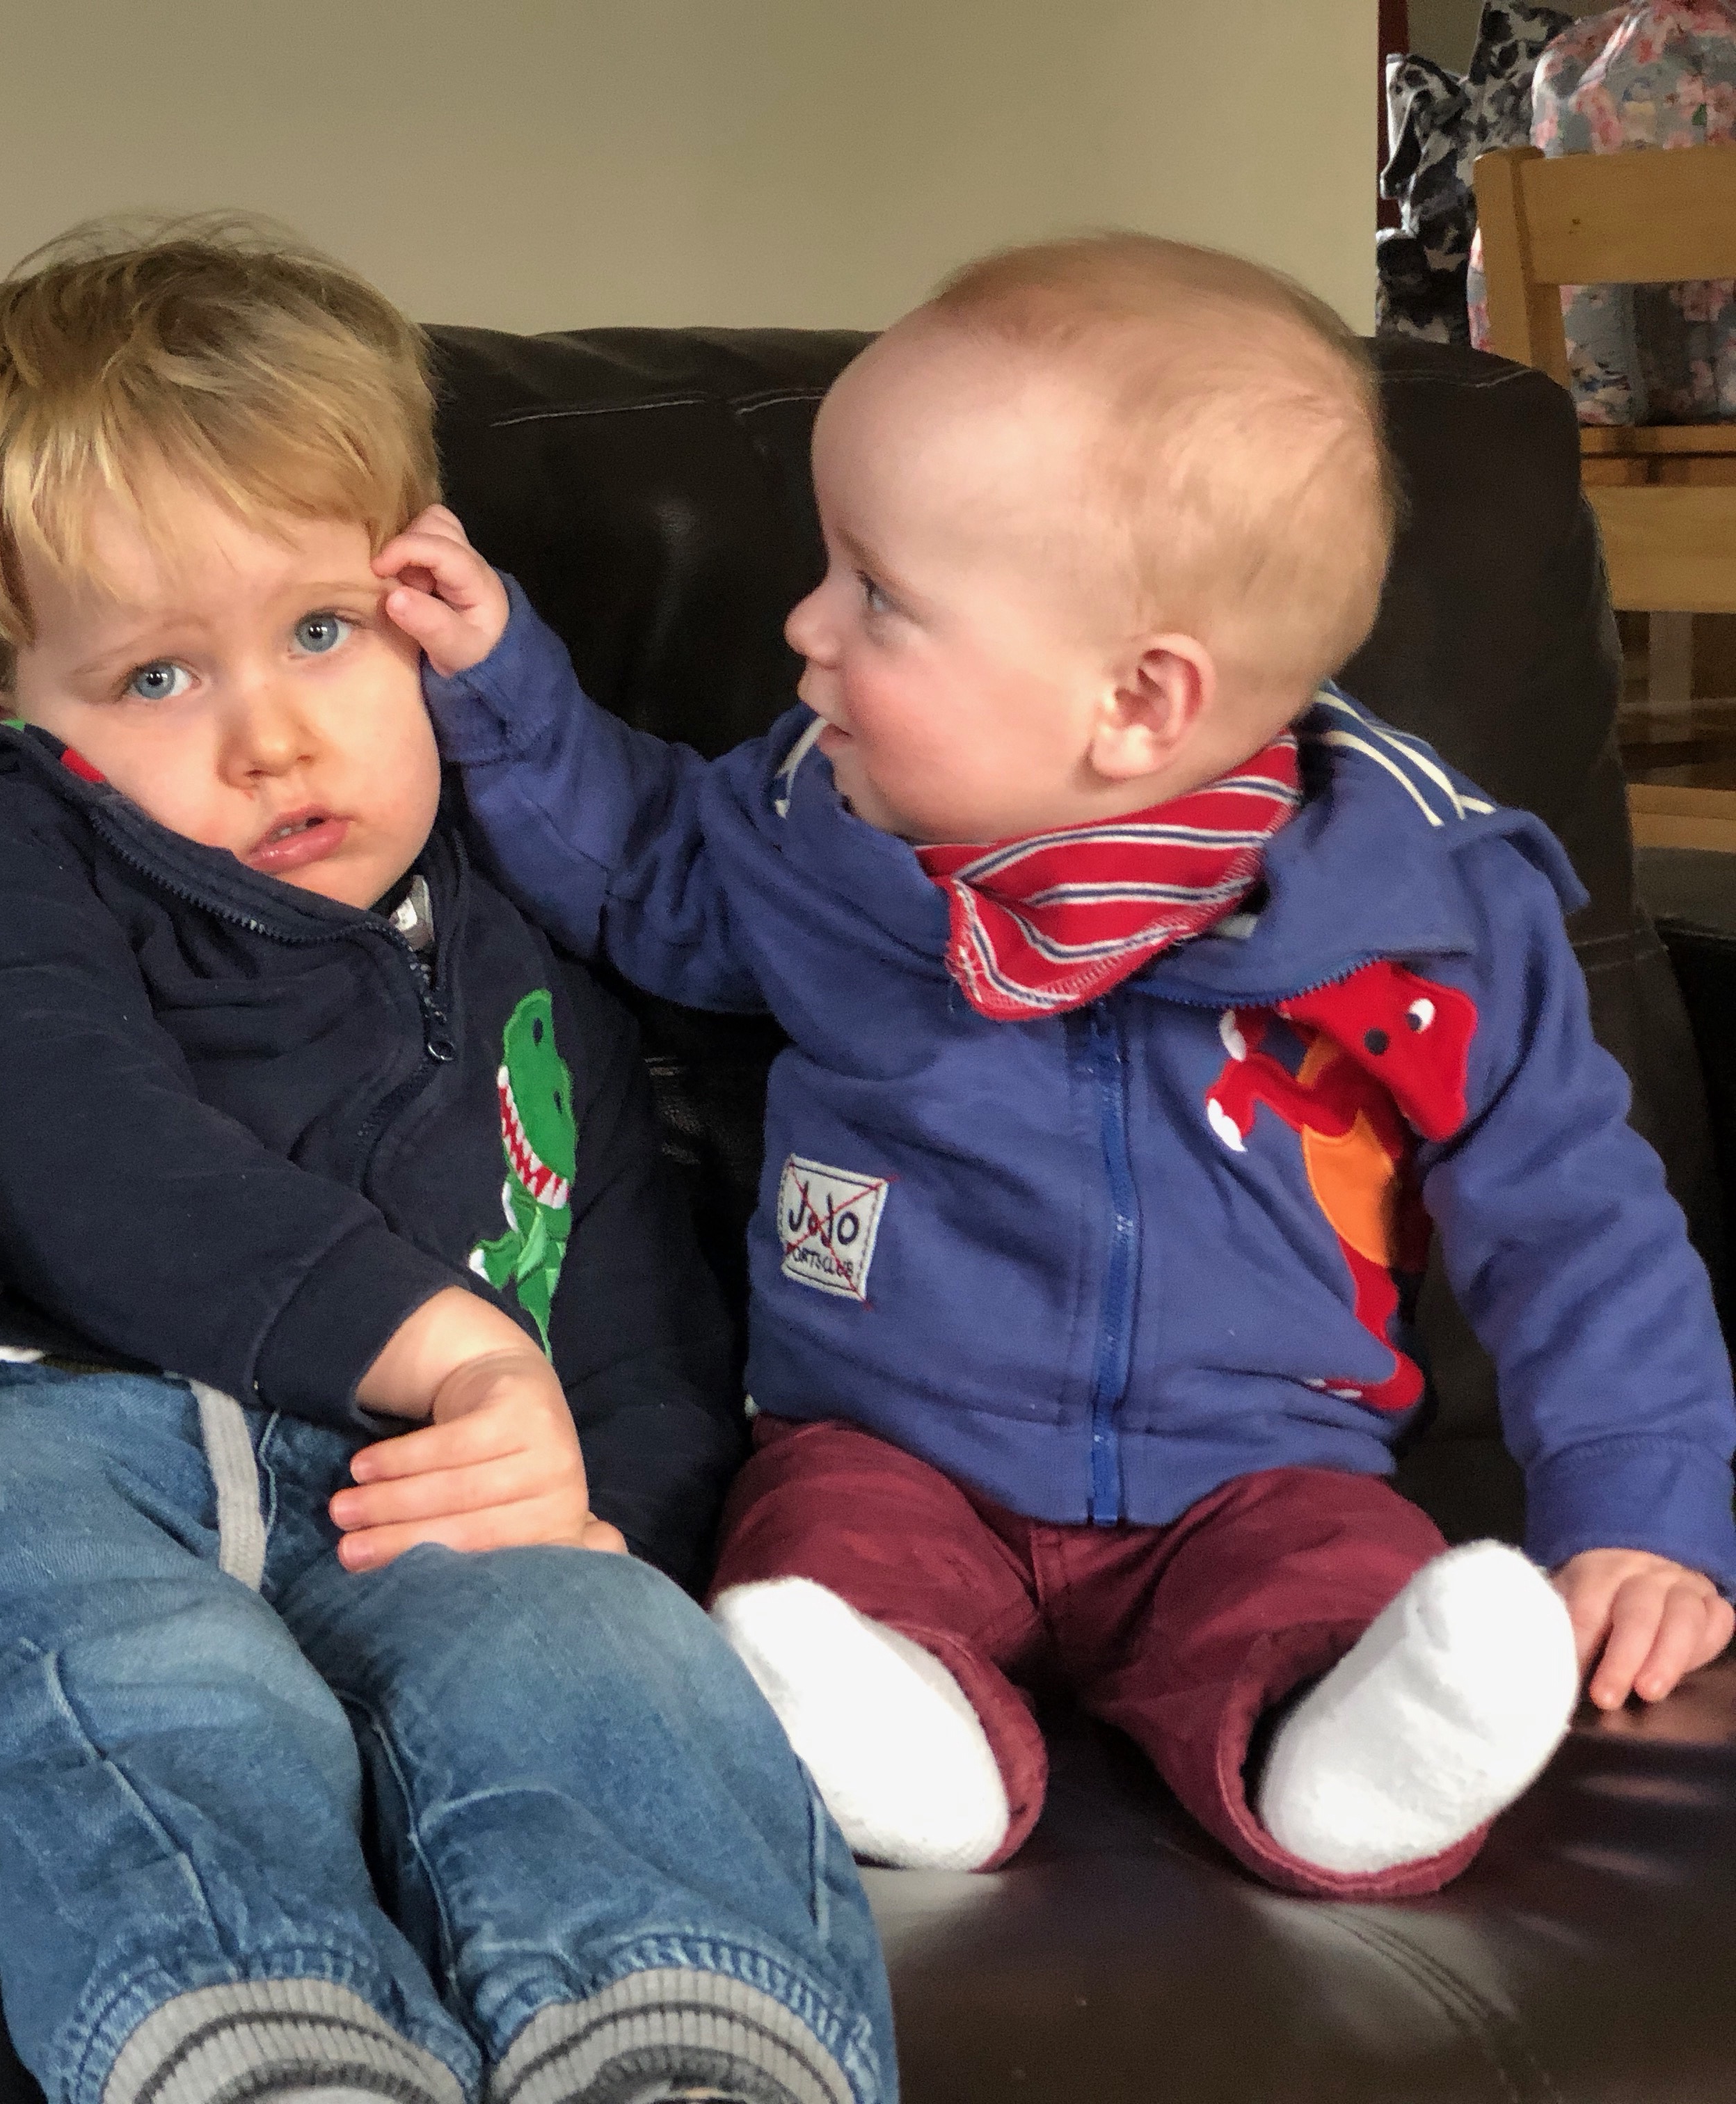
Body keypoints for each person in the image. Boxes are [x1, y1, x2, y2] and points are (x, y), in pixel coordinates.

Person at [397, 232, 1736, 1899]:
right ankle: (905, 1737)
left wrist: (1641, 1504)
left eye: (876, 593)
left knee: (1340, 1586)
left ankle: (1341, 1753)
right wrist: (502, 680)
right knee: (814, 1570)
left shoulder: (1425, 912)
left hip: (1262, 1466)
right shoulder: (819, 828)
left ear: (1136, 700)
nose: (804, 627)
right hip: (887, 1444)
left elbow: (1575, 1219)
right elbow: (645, 869)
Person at [0, 226, 898, 2104]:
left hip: (408, 1505)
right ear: (1, 703)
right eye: (152, 678)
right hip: (54, 1462)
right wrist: (448, 1343)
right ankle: (274, 2057)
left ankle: (691, 2053)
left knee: (597, 1657)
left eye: (319, 633)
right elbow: (77, 1147)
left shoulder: (515, 937)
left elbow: (628, 1321)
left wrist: (612, 1533)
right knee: (152, 1693)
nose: (275, 734)